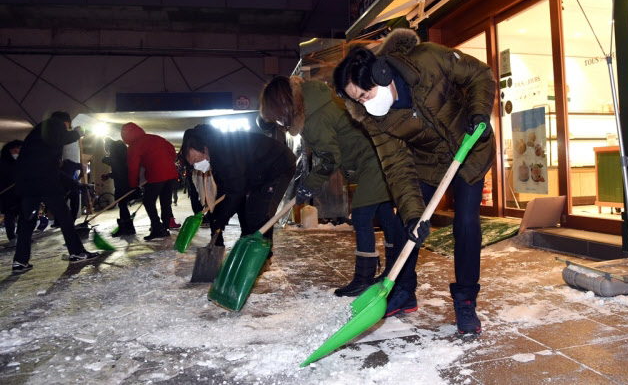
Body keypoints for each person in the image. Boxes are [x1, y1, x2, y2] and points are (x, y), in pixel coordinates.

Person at [333, 28, 496, 333]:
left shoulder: (428, 60)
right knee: (404, 224)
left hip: (472, 146)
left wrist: (479, 113)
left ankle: (465, 300)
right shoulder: (374, 118)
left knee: (465, 223)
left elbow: (480, 75)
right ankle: (404, 292)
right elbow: (396, 165)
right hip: (429, 162)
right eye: (358, 100)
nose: (366, 104)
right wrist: (411, 216)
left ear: (380, 74)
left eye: (365, 95)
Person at [260, 76, 407, 300]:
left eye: (276, 117)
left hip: (374, 157)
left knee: (361, 214)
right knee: (384, 213)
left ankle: (365, 278)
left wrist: (308, 186)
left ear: (283, 107)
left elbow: (329, 160)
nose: (279, 123)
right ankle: (395, 271)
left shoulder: (314, 117)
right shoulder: (311, 102)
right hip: (376, 152)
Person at [180, 124, 295, 256]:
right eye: (193, 164)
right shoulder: (215, 155)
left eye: (196, 160)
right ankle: (248, 249)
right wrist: (217, 218)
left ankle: (262, 258)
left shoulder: (223, 152)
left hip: (278, 165)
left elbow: (236, 191)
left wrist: (221, 220)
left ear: (204, 150)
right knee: (249, 211)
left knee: (259, 213)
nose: (196, 166)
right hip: (258, 173)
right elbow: (226, 189)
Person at [12, 111, 100, 273]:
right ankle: (77, 252)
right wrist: (77, 133)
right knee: (65, 217)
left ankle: (20, 261)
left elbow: (50, 168)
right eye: (68, 126)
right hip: (45, 183)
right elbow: (61, 139)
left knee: (27, 220)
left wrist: (76, 185)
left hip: (28, 184)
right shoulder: (53, 124)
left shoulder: (37, 141)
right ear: (65, 123)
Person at [121, 122, 180, 241]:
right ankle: (165, 227)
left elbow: (133, 167)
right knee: (165, 201)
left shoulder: (134, 146)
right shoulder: (155, 137)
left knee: (148, 201)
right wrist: (168, 161)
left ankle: (157, 228)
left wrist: (133, 186)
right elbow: (171, 149)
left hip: (156, 174)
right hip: (171, 173)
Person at [102, 137, 136, 237]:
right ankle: (127, 228)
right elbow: (119, 169)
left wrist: (106, 160)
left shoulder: (116, 147)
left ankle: (127, 228)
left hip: (123, 183)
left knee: (122, 204)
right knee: (122, 205)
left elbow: (120, 166)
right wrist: (109, 175)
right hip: (124, 181)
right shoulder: (120, 147)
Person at [0, 140, 22, 247]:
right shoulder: (3, 163)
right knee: (10, 216)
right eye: (15, 150)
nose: (17, 152)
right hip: (8, 195)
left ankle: (21, 235)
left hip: (21, 194)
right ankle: (12, 237)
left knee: (23, 215)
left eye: (19, 150)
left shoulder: (22, 162)